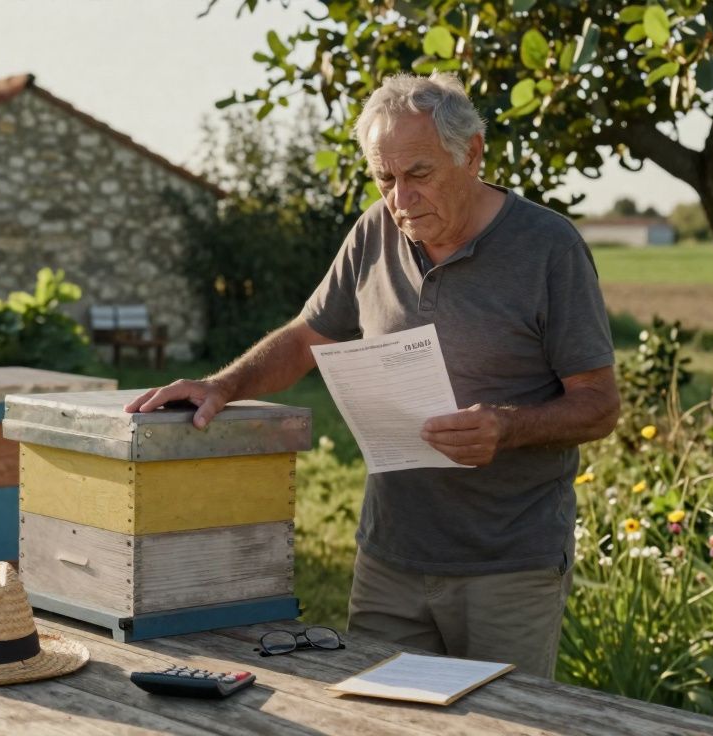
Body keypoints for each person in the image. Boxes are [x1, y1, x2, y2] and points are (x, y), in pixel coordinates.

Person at [125, 73, 619, 679]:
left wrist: (506, 427)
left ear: (472, 153)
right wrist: (223, 385)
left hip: (507, 564)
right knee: (381, 718)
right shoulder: (374, 232)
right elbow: (308, 337)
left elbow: (599, 404)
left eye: (418, 174)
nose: (400, 200)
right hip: (391, 557)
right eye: (385, 179)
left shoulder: (549, 247)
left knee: (499, 723)